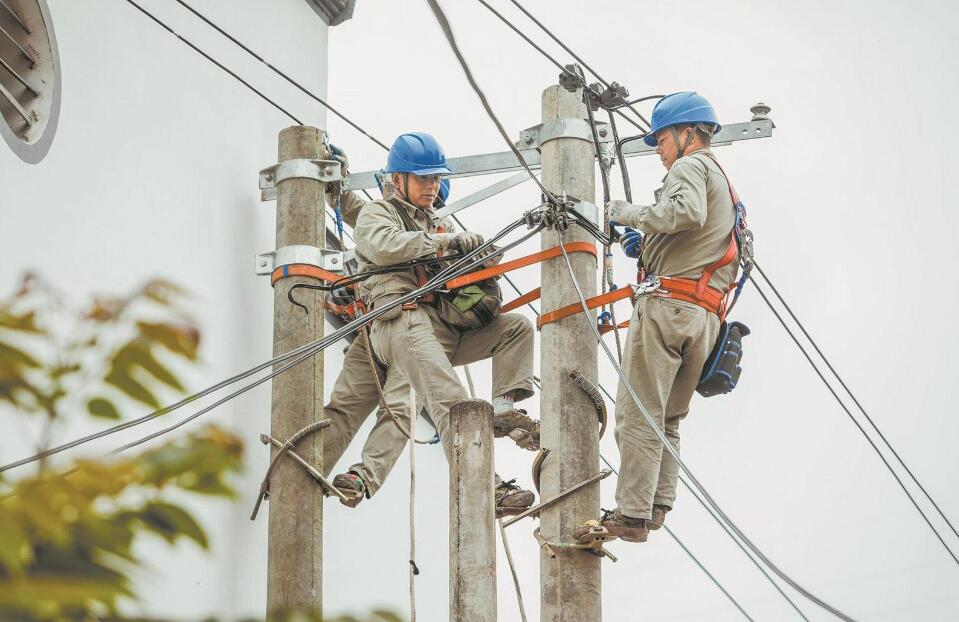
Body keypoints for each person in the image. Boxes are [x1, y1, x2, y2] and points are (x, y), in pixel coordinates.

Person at [321, 143, 537, 511]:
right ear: (398, 179)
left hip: (435, 327)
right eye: (424, 178)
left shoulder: (434, 222)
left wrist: (480, 256)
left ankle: (503, 409)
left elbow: (457, 261)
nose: (433, 186)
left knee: (516, 327)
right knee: (446, 403)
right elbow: (382, 242)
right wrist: (446, 243)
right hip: (399, 320)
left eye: (436, 178)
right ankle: (488, 488)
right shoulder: (381, 213)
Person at [598, 92, 739, 542]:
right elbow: (698, 233)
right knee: (668, 417)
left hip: (670, 308)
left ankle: (632, 512)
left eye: (661, 140)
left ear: (687, 134)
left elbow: (683, 212)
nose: (659, 151)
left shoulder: (691, 165)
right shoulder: (723, 181)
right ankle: (656, 507)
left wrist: (624, 212)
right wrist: (647, 246)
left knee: (638, 411)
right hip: (704, 316)